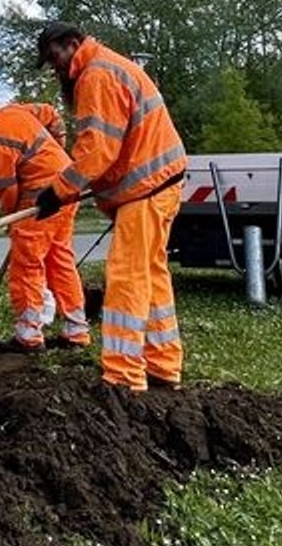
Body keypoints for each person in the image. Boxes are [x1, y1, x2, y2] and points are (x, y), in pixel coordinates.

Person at [30, 22, 188, 395]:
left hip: (146, 190)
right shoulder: (106, 67)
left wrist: (59, 189)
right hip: (157, 185)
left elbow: (97, 151)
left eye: (55, 58)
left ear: (72, 45)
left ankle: (122, 376)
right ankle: (163, 365)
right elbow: (108, 149)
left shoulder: (95, 76)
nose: (55, 68)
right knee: (151, 275)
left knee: (128, 277)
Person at [0, 100, 90, 352]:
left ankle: (28, 336)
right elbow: (50, 113)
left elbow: (8, 189)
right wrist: (58, 151)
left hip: (39, 197)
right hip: (67, 186)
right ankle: (76, 331)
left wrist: (12, 218)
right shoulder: (13, 111)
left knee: (26, 265)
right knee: (60, 261)